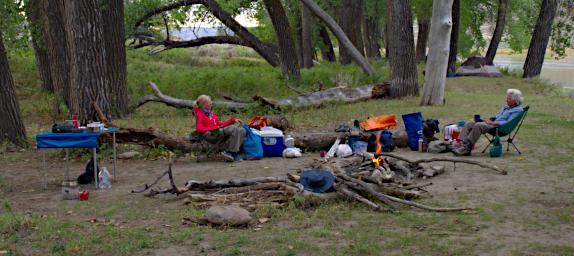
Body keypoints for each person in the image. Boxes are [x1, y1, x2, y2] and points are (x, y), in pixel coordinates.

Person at [453, 89, 524, 156]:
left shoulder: (518, 110)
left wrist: (491, 123)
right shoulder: (506, 107)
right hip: (493, 123)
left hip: (499, 128)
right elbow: (497, 117)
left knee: (478, 125)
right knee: (470, 123)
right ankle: (459, 143)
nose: (506, 100)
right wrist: (485, 119)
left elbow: (508, 123)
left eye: (509, 99)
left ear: (515, 101)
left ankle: (466, 149)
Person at [192, 95, 245, 162]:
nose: (211, 106)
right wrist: (214, 128)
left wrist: (232, 120)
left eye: (211, 104)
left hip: (217, 131)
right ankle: (229, 152)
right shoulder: (200, 113)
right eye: (209, 104)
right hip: (209, 134)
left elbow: (220, 125)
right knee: (233, 128)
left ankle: (233, 153)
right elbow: (199, 129)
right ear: (203, 105)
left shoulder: (212, 114)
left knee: (242, 130)